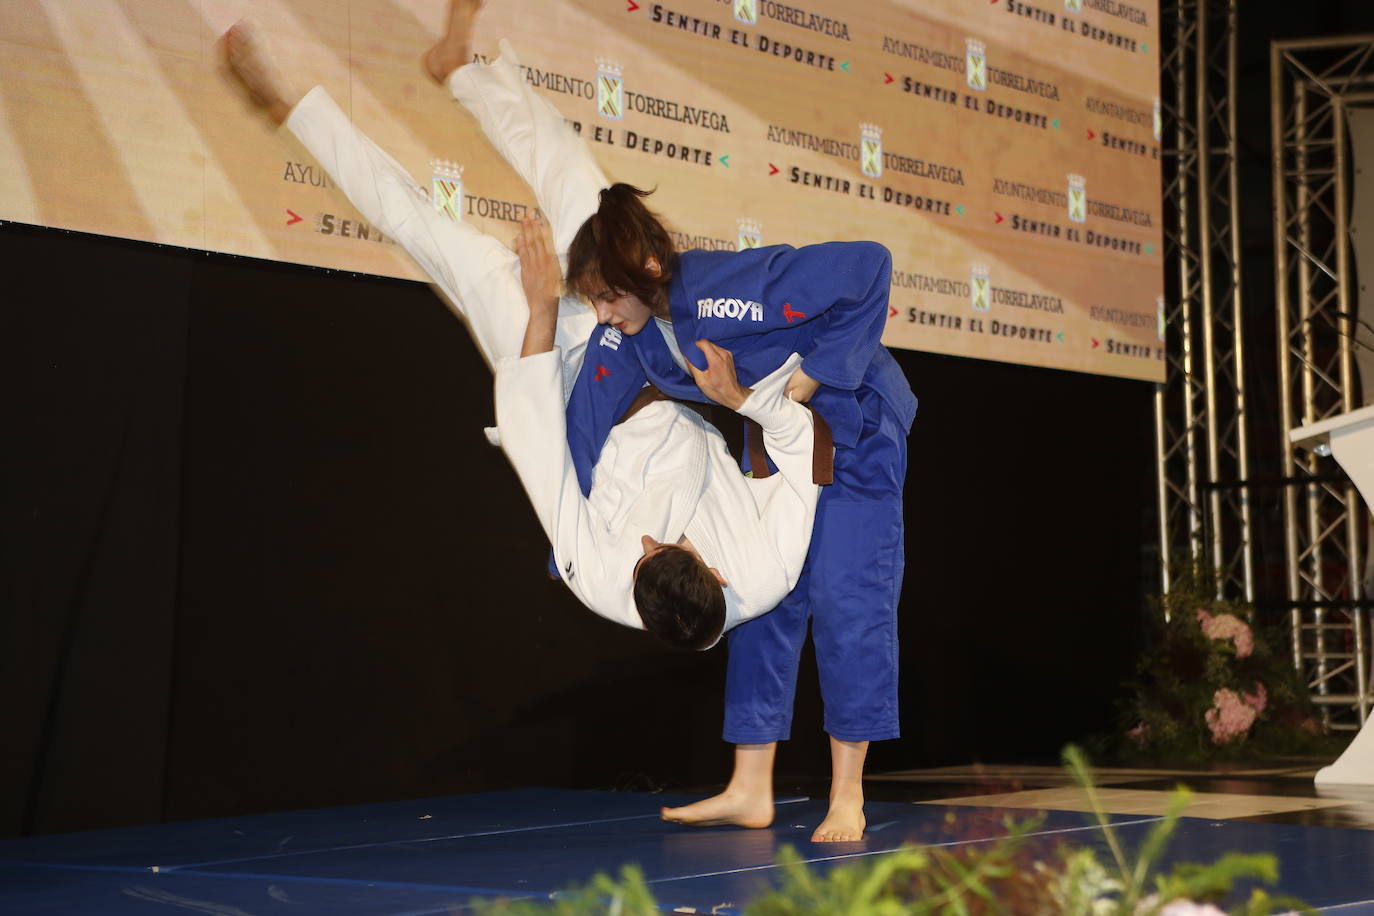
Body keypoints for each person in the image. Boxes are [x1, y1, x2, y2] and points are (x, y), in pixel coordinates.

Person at [220, 18, 826, 650]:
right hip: (649, 365)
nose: (645, 541)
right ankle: (458, 68)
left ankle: (291, 108)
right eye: (661, 546)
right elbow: (801, 442)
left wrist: (540, 309)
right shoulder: (768, 570)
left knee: (439, 240)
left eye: (641, 554)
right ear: (720, 575)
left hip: (559, 386)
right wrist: (745, 402)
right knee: (582, 189)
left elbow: (539, 450)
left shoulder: (598, 576)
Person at [561, 183, 916, 843]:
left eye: (608, 298)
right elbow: (586, 419)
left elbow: (869, 264)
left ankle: (848, 793)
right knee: (758, 603)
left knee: (847, 600)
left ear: (645, 271)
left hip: (855, 423)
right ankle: (751, 787)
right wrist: (564, 542)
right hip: (772, 433)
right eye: (593, 302)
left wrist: (815, 372)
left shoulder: (728, 286)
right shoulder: (635, 337)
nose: (603, 315)